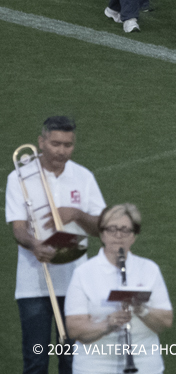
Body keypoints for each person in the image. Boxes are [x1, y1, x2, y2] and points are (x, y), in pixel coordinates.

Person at [6, 116, 106, 374]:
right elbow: (18, 228)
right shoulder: (19, 177)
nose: (62, 151)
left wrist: (76, 214)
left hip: (75, 284)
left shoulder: (83, 177)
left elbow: (101, 229)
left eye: (68, 145)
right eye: (55, 144)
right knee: (36, 361)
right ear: (41, 142)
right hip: (32, 286)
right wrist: (33, 243)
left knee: (72, 361)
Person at [64, 203, 172, 374]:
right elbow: (74, 329)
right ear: (102, 234)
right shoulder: (83, 273)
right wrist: (107, 324)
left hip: (145, 365)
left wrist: (141, 310)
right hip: (94, 366)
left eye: (125, 230)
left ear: (134, 236)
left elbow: (166, 321)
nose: (118, 235)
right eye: (112, 229)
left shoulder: (149, 269)